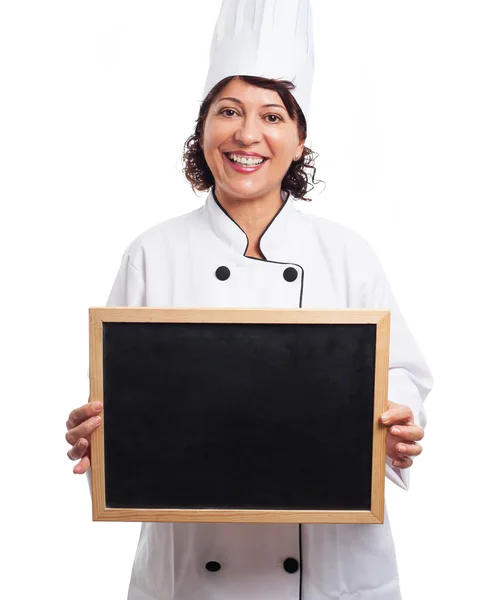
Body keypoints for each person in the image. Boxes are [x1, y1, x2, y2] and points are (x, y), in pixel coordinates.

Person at [65, 1, 433, 598]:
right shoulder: (151, 255)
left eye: (272, 115)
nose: (247, 134)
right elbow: (120, 402)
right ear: (203, 127)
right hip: (192, 578)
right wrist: (96, 433)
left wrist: (397, 421)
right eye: (228, 111)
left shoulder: (348, 253)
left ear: (299, 138)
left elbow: (402, 376)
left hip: (327, 575)